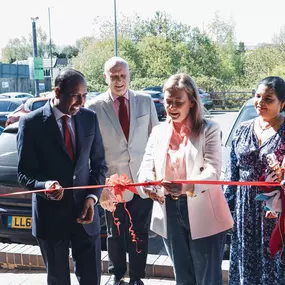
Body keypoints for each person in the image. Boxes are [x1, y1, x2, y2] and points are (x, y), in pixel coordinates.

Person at [137, 73, 233, 285]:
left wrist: (186, 186)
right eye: (168, 101)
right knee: (183, 278)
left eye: (178, 102)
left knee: (207, 279)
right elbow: (145, 168)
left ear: (192, 101)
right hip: (168, 210)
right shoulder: (158, 132)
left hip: (204, 211)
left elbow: (213, 172)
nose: (171, 107)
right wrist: (148, 185)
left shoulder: (209, 129)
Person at [17, 68, 108, 285]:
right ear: (57, 92)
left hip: (86, 215)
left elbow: (99, 166)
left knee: (91, 279)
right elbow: (24, 173)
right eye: (76, 96)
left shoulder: (89, 119)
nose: (82, 102)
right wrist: (45, 185)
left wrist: (92, 198)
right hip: (51, 218)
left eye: (85, 95)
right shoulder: (31, 123)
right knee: (57, 280)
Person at [86, 56, 159, 285]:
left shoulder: (145, 101)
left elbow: (155, 139)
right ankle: (117, 276)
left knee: (140, 232)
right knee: (115, 233)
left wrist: (154, 178)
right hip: (112, 184)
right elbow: (90, 152)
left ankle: (137, 277)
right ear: (105, 77)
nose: (119, 80)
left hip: (141, 181)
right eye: (114, 76)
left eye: (123, 75)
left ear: (129, 76)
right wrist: (102, 186)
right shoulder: (94, 107)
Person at [224, 76, 285, 285]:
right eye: (258, 96)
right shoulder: (242, 129)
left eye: (268, 99)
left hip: (274, 213)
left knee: (272, 263)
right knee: (245, 262)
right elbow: (232, 174)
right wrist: (227, 210)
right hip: (243, 212)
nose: (260, 102)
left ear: (282, 103)